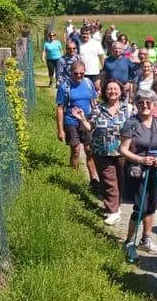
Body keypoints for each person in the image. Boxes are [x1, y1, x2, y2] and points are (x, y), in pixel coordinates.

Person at [120, 89, 157, 256]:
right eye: (141, 102)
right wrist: (140, 160)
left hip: (155, 170)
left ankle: (146, 239)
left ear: (154, 104)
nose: (145, 105)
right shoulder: (131, 123)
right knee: (140, 206)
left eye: (148, 102)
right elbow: (122, 149)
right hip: (138, 170)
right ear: (136, 104)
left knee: (151, 205)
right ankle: (129, 242)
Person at [75, 79, 134, 225]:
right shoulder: (98, 108)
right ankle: (112, 211)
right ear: (104, 92)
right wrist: (82, 119)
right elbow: (90, 127)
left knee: (121, 180)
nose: (112, 92)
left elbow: (136, 128)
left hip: (123, 151)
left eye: (115, 89)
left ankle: (116, 206)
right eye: (109, 89)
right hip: (102, 150)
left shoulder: (129, 109)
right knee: (109, 181)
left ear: (121, 92)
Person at [55, 60, 100, 191]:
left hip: (86, 120)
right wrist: (60, 130)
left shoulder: (88, 83)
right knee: (75, 151)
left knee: (90, 150)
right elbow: (59, 108)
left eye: (82, 73)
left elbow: (94, 101)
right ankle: (74, 178)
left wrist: (95, 119)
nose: (79, 76)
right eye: (76, 73)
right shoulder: (65, 87)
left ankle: (94, 179)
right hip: (71, 121)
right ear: (71, 73)